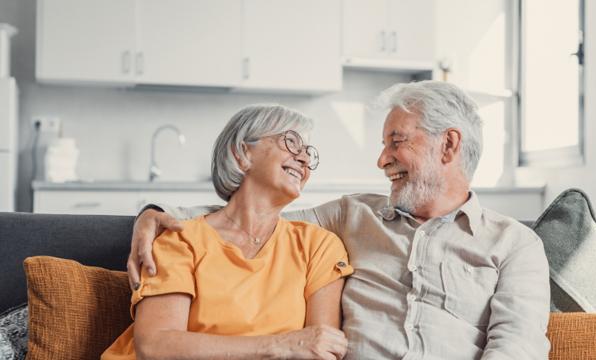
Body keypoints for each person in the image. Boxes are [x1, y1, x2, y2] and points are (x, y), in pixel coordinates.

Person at [128, 81, 551, 359]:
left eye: (396, 142)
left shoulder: (514, 245)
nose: (382, 159)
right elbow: (249, 216)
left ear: (449, 145)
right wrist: (155, 213)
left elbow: (517, 347)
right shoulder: (350, 216)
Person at [102, 104, 353, 360]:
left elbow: (322, 349)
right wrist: (279, 345)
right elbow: (156, 346)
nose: (304, 158)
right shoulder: (181, 238)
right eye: (291, 142)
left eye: (308, 152)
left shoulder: (319, 246)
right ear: (242, 153)